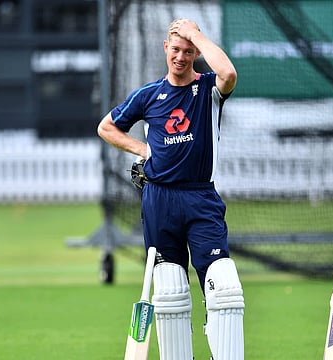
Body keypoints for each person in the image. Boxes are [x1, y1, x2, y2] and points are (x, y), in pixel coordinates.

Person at [97, 18, 244, 359]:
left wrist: (195, 33)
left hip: (200, 196)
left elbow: (229, 74)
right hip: (159, 198)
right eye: (175, 49)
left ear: (196, 52)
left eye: (188, 51)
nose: (180, 56)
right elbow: (106, 127)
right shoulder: (149, 95)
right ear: (166, 48)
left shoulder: (208, 89)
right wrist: (142, 149)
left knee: (223, 285)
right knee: (169, 289)